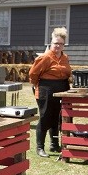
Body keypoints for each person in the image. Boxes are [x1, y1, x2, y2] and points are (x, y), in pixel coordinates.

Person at [29, 27, 72, 158]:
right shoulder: (45, 57)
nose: (57, 46)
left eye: (60, 44)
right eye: (55, 43)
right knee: (45, 117)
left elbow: (68, 73)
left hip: (63, 89)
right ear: (51, 43)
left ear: (64, 45)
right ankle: (40, 147)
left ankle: (54, 144)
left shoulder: (65, 58)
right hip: (46, 89)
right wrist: (39, 86)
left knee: (58, 117)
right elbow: (33, 74)